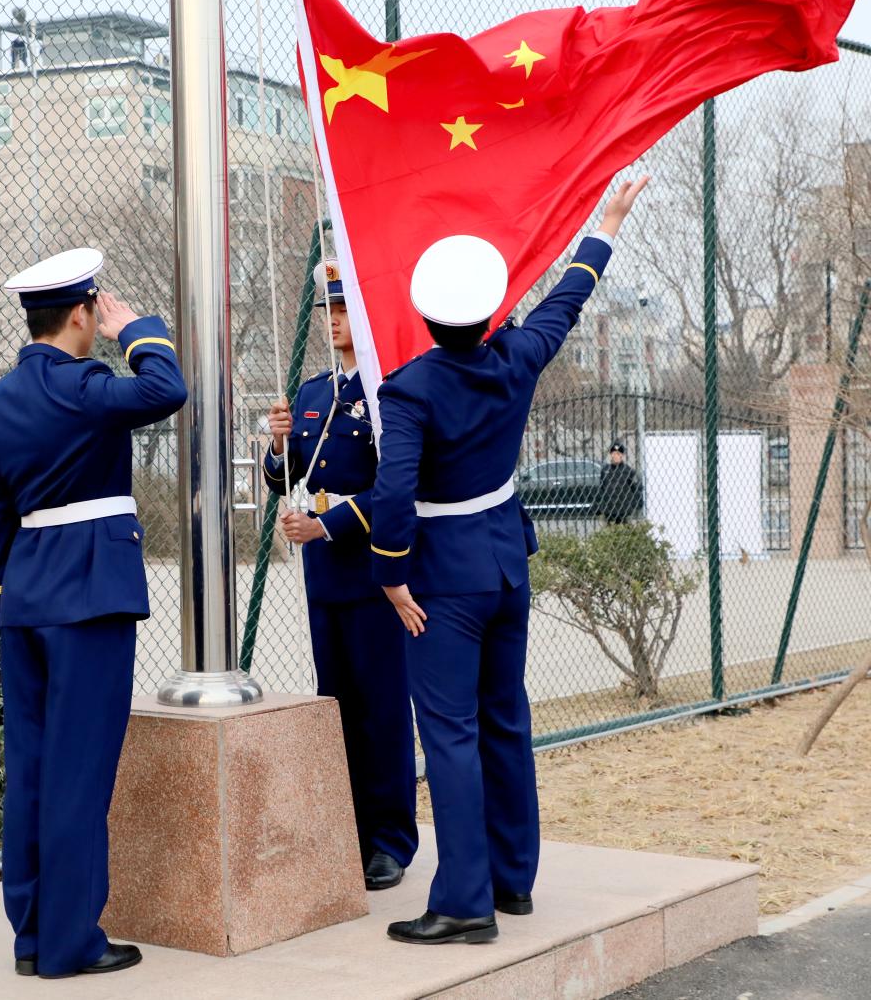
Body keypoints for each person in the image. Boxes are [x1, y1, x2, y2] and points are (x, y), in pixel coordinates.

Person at [371, 178, 649, 945]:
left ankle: (465, 901)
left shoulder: (410, 389)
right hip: (505, 565)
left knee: (450, 733)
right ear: (489, 312)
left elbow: (393, 491)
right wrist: (607, 223)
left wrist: (390, 573)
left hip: (443, 582)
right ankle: (512, 879)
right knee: (504, 718)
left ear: (427, 316)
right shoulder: (517, 357)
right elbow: (567, 300)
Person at [0, 248, 187, 978]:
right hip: (91, 594)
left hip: (25, 598)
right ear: (81, 315)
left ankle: (32, 935)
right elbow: (167, 387)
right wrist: (139, 331)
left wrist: (3, 599)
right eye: (97, 312)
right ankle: (72, 942)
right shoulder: (86, 386)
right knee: (80, 772)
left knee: (32, 769)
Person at [264, 259, 418, 891]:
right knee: (338, 703)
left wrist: (326, 526)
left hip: (373, 566)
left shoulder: (388, 390)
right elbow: (286, 477)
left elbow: (395, 487)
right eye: (327, 309)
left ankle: (390, 840)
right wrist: (277, 444)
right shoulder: (312, 393)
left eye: (343, 309)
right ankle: (348, 830)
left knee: (382, 706)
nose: (332, 321)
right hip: (324, 573)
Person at [596, 440, 644, 524]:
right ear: (611, 454)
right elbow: (601, 489)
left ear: (622, 455)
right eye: (614, 453)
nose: (616, 456)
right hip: (609, 511)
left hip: (624, 512)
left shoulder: (628, 471)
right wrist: (599, 507)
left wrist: (635, 505)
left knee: (625, 530)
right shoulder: (605, 470)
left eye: (618, 454)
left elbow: (636, 489)